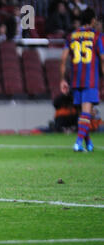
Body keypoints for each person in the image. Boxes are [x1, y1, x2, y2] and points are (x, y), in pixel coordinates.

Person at [60, 8, 104, 152]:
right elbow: (103, 59)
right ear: (92, 20)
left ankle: (89, 143)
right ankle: (78, 143)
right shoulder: (97, 36)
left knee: (82, 115)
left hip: (76, 80)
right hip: (90, 80)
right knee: (86, 113)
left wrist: (62, 80)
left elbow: (63, 59)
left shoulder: (71, 36)